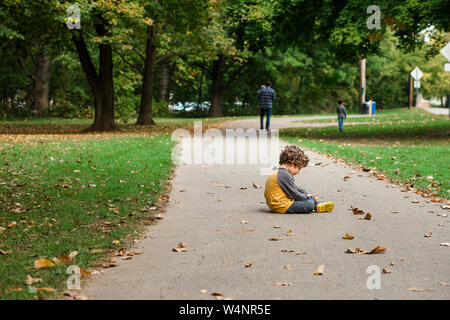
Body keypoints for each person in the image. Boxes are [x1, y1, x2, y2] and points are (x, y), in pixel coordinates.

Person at [264, 145, 334, 214]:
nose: (299, 171)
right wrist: (309, 198)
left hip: (274, 205)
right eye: (299, 168)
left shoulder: (278, 171)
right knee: (309, 204)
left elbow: (294, 187)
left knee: (307, 198)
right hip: (281, 206)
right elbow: (294, 194)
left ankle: (316, 204)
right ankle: (315, 204)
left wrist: (307, 194)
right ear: (292, 163)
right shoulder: (284, 174)